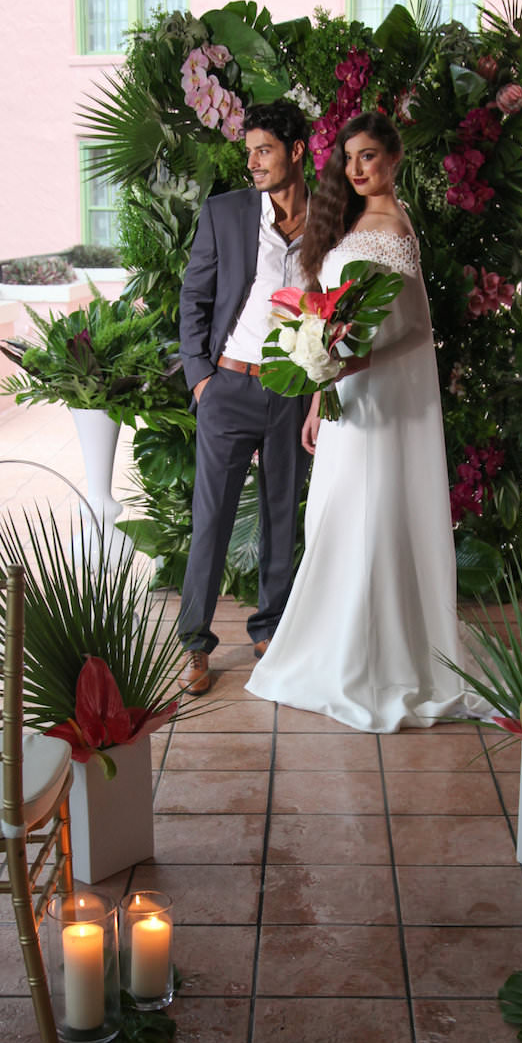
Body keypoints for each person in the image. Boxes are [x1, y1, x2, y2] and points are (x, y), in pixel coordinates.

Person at [245, 112, 474, 733]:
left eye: (368, 156)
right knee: (337, 513)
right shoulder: (353, 223)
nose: (356, 168)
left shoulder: (395, 228)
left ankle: (374, 659)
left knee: (371, 512)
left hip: (378, 397)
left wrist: (346, 359)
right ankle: (337, 644)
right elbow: (328, 318)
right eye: (349, 158)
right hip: (349, 394)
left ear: (394, 159)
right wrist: (320, 392)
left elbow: (410, 328)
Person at [177, 99, 312, 695]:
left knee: (282, 515)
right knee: (212, 518)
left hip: (292, 389)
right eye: (249, 150)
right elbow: (194, 300)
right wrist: (202, 378)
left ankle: (270, 629)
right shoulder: (226, 213)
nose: (253, 162)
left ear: (296, 152)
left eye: (264, 150)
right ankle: (195, 643)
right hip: (228, 386)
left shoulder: (331, 219)